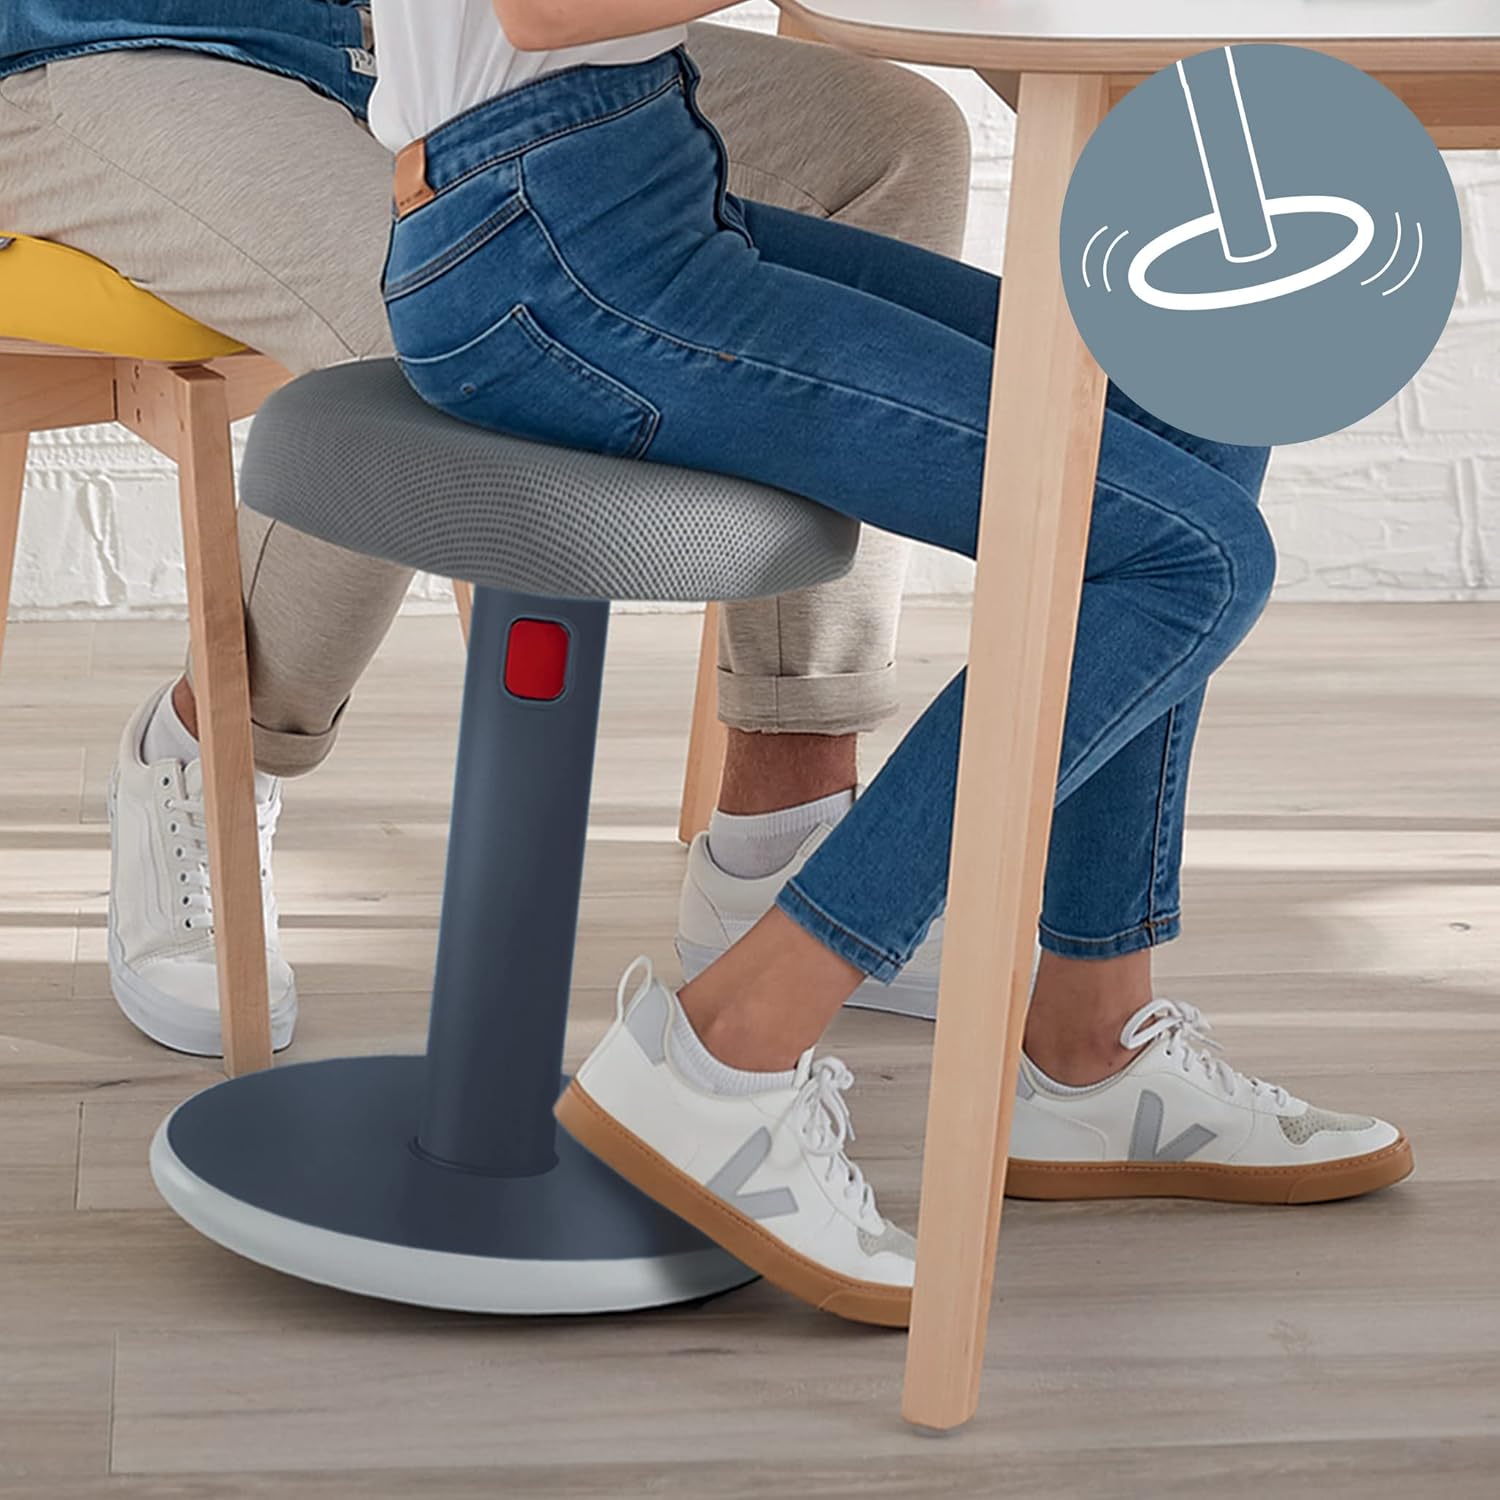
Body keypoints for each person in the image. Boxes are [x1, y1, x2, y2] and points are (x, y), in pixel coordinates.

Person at [369, 0, 1413, 1327]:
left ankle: (1092, 1055)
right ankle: (729, 1050)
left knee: (1193, 368)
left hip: (631, 188)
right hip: (546, 252)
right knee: (1194, 562)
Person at [0, 3, 967, 1051]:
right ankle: (206, 754)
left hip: (396, 32)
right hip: (99, 47)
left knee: (896, 138)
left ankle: (781, 827)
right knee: (449, 298)